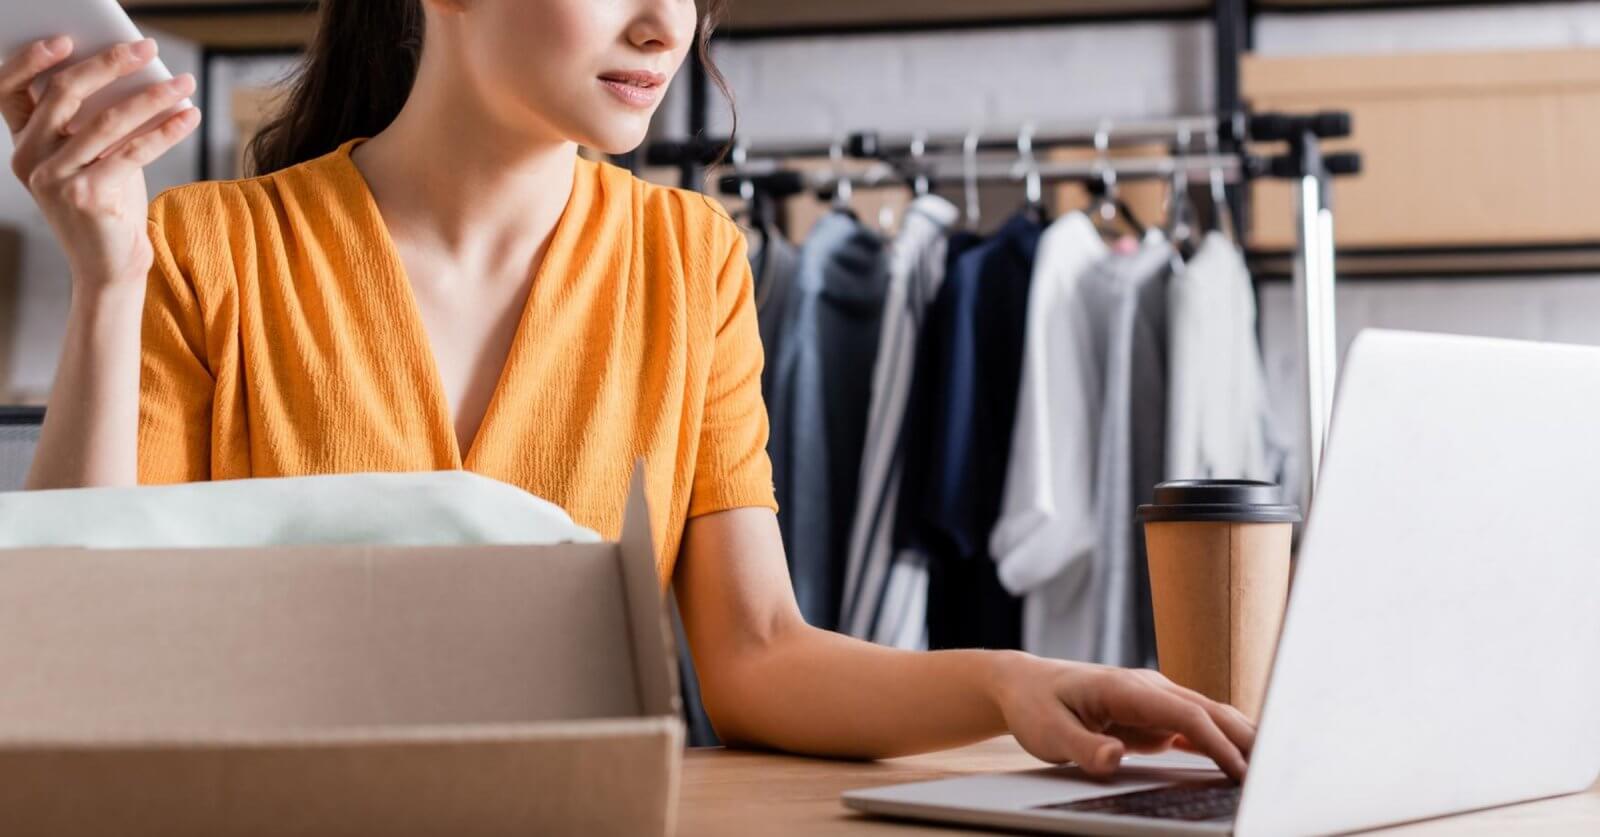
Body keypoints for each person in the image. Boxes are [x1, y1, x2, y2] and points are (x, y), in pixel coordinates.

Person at [1, 0, 1254, 780]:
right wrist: (109, 279)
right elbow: (83, 641)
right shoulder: (212, 247)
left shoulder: (689, 256)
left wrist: (1009, 683)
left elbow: (756, 651)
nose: (668, 24)